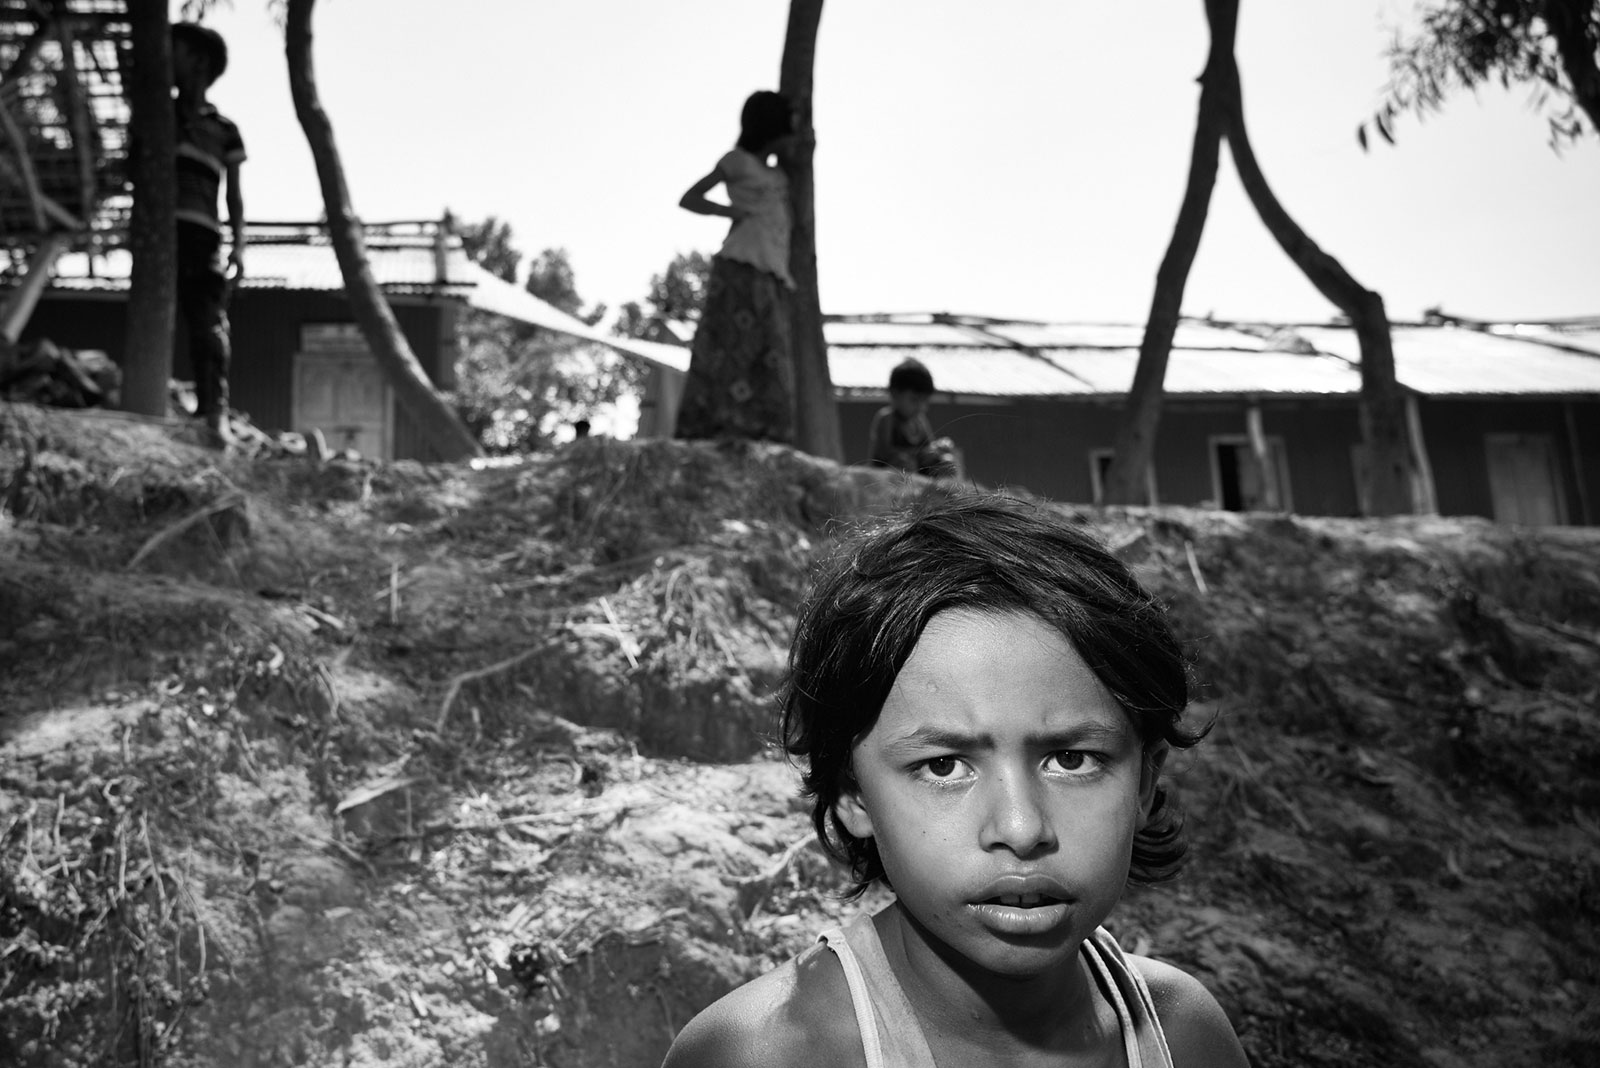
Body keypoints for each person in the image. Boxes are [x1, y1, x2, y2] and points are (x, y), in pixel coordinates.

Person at [661, 495, 1250, 1068]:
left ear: (1144, 784)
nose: (1021, 830)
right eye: (944, 766)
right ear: (852, 793)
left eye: (1072, 760)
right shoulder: (758, 1054)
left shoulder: (1187, 1036)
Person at [674, 90, 797, 443]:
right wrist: (731, 212)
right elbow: (690, 197)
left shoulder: (781, 176)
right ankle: (714, 428)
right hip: (740, 266)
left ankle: (765, 433)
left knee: (768, 351)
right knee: (728, 347)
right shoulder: (737, 161)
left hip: (774, 272)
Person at [171, 22, 245, 447]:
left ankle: (212, 412)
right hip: (163, 234)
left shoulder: (224, 129)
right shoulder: (158, 114)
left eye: (175, 51)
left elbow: (234, 195)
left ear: (198, 63)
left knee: (208, 324)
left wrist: (239, 243)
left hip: (203, 236)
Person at [867, 357, 962, 479]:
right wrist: (918, 455)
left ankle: (949, 495)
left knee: (947, 462)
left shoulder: (920, 421)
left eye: (924, 401)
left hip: (919, 471)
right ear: (895, 394)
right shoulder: (886, 418)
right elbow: (886, 454)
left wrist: (938, 448)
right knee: (905, 463)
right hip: (889, 475)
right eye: (914, 400)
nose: (920, 407)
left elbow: (929, 449)